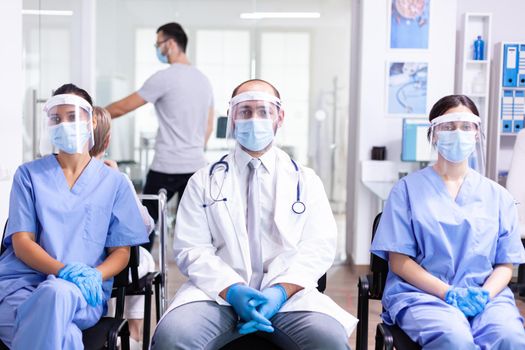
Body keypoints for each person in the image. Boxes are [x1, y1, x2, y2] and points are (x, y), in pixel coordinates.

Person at [150, 79, 357, 350]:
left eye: (263, 111)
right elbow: (192, 249)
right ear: (233, 118)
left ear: (279, 117)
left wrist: (280, 291)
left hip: (287, 298)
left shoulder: (306, 180)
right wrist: (233, 290)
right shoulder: (203, 180)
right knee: (173, 337)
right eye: (245, 111)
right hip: (216, 296)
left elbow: (318, 247)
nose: (254, 119)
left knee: (328, 339)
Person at [370, 94, 525, 349]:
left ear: (476, 133)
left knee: (510, 337)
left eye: (466, 126)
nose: (458, 133)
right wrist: (448, 293)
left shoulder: (497, 196)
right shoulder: (406, 191)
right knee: (454, 339)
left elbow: (505, 264)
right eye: (449, 126)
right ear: (433, 134)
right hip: (423, 295)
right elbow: (398, 263)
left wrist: (484, 295)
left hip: (485, 295)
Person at [0, 84, 149, 349]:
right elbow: (22, 243)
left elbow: (122, 252)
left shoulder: (113, 183)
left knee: (58, 293)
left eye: (72, 116)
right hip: (21, 289)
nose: (64, 124)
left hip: (83, 292)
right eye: (56, 118)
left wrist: (93, 275)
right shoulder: (28, 175)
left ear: (91, 121)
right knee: (65, 334)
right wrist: (63, 271)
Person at [105, 22, 214, 251]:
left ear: (171, 44)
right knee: (195, 231)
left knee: (144, 225)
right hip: (195, 166)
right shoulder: (204, 81)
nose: (158, 49)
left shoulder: (165, 77)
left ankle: (141, 271)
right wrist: (193, 149)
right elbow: (209, 126)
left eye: (158, 44)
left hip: (166, 165)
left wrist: (92, 116)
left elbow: (123, 107)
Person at [90, 106, 156, 350]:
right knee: (143, 259)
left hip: (75, 264)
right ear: (107, 141)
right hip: (115, 269)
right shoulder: (116, 179)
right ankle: (135, 332)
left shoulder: (55, 175)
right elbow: (145, 226)